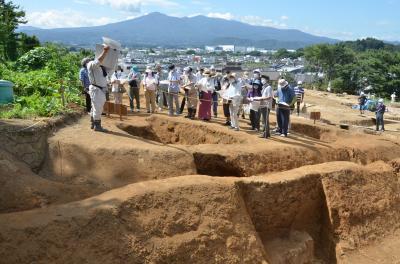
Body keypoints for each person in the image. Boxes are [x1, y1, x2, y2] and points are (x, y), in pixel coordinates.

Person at [87, 44, 111, 132]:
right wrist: (105, 51)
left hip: (98, 89)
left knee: (95, 107)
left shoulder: (98, 68)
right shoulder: (91, 64)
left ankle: (93, 123)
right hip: (96, 89)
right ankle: (97, 125)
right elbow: (98, 61)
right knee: (98, 108)